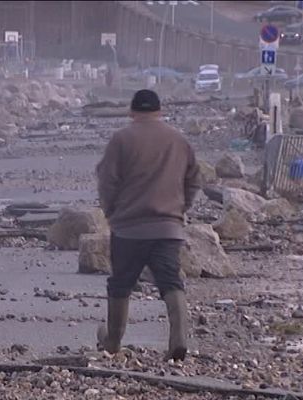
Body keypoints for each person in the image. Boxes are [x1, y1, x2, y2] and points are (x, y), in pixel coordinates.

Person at [95, 89, 201, 361]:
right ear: (159, 110)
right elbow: (193, 180)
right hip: (168, 228)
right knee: (171, 282)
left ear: (132, 112)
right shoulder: (178, 140)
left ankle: (112, 342)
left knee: (121, 284)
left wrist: (111, 213)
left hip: (129, 228)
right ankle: (178, 340)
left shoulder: (121, 139)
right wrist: (178, 210)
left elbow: (107, 180)